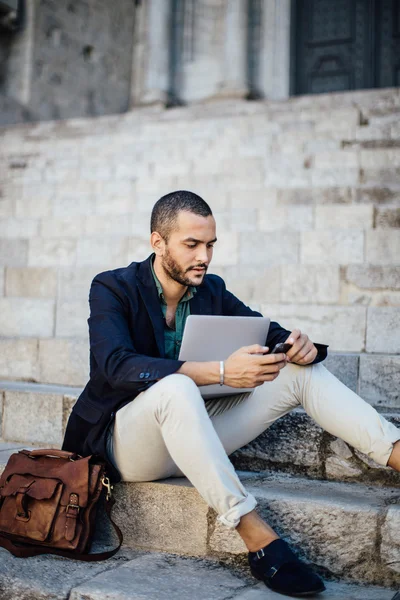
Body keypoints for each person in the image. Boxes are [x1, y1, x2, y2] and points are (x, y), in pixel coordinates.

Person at [63, 190, 400, 598]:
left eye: (210, 245)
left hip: (194, 432)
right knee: (176, 386)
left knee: (298, 371)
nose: (204, 256)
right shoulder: (112, 287)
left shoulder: (210, 289)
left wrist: (301, 345)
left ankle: (395, 451)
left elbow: (265, 330)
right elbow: (116, 365)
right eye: (191, 244)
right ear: (158, 242)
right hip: (123, 445)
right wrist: (221, 372)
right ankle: (255, 534)